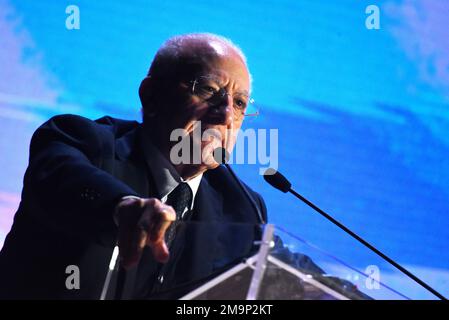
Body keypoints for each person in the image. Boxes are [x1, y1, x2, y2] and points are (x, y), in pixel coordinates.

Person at [0, 33, 273, 299]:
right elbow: (61, 177)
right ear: (151, 95)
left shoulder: (241, 205)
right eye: (208, 90)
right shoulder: (83, 141)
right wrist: (122, 206)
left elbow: (281, 267)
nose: (225, 114)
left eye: (239, 103)